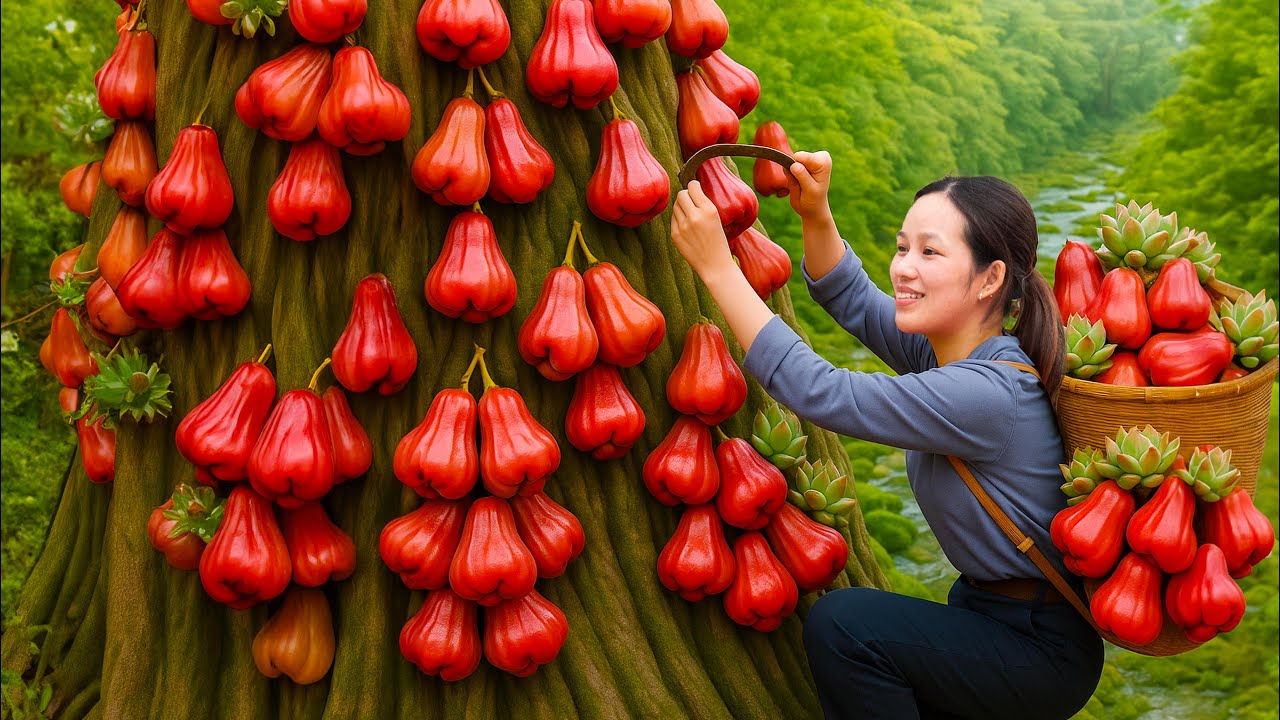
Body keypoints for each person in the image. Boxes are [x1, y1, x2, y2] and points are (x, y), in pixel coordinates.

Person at [669, 152, 1103, 720]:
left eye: (930, 252)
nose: (904, 267)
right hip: (990, 617)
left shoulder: (986, 394)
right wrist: (817, 216)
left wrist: (718, 269)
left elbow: (821, 391)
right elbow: (852, 300)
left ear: (990, 277)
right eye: (902, 248)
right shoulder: (951, 352)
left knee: (846, 625)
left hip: (1038, 647)